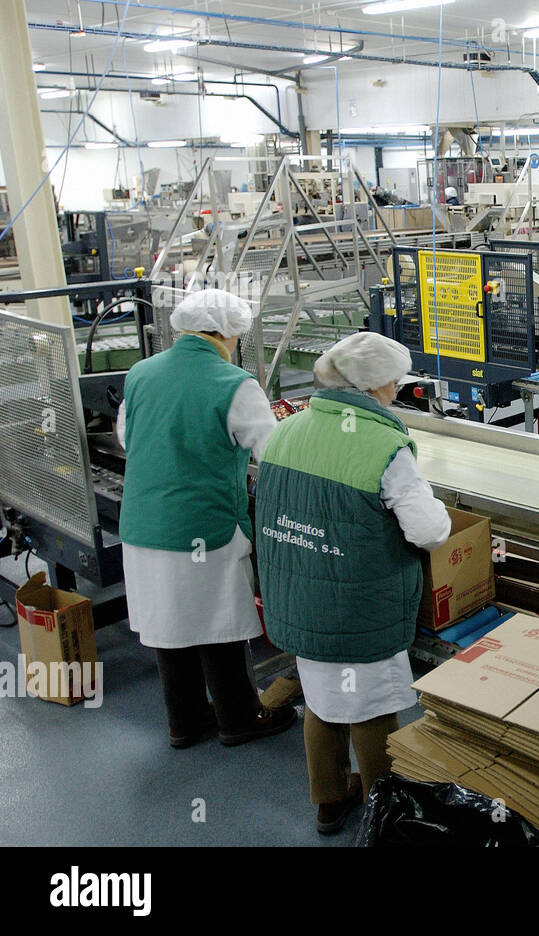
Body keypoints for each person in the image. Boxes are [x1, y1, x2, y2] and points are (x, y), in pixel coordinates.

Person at [255, 332, 451, 834]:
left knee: (320, 702)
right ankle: (382, 811)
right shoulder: (385, 445)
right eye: (393, 381)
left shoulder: (285, 432)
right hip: (359, 606)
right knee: (373, 711)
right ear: (373, 387)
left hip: (299, 599)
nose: (396, 389)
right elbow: (428, 532)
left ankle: (327, 801)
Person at [117, 289, 296, 749]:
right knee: (220, 624)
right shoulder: (233, 383)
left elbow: (126, 435)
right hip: (204, 526)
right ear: (226, 333)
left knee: (169, 623)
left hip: (144, 524)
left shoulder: (139, 373)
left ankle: (185, 720)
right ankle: (240, 718)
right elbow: (271, 452)